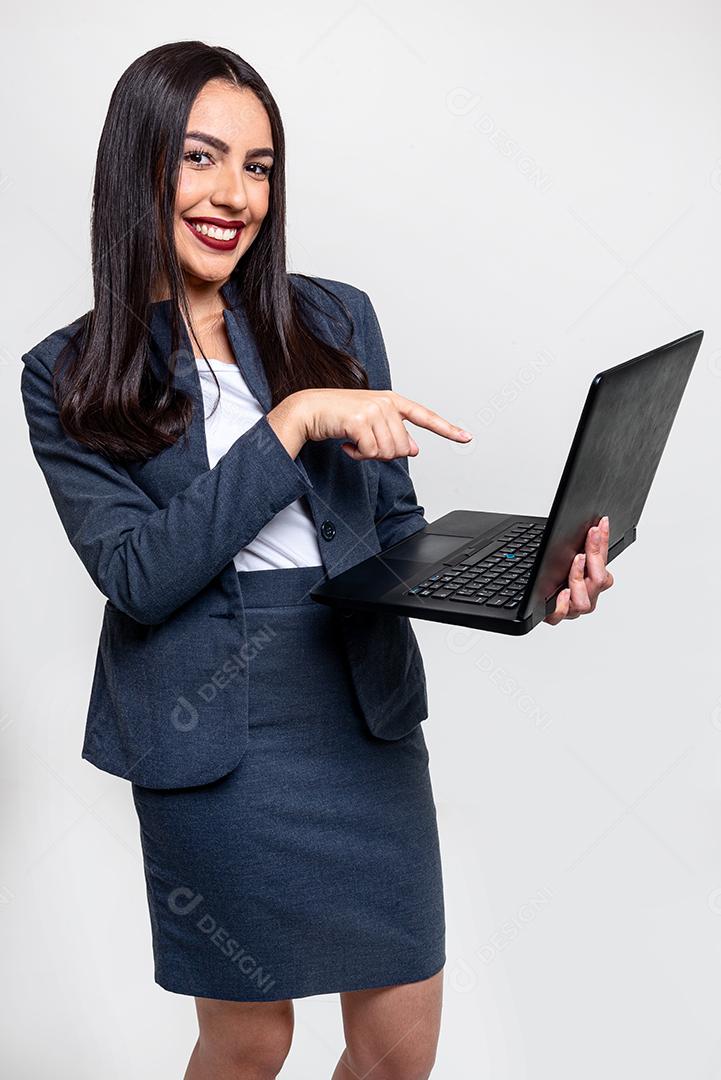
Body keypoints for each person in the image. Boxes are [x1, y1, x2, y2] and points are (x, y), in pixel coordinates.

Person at [20, 41, 614, 1080]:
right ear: (138, 165)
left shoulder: (333, 318)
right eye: (200, 158)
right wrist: (289, 422)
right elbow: (140, 575)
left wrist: (526, 586)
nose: (232, 194)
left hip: (357, 707)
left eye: (257, 167)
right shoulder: (67, 376)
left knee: (397, 1049)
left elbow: (391, 533)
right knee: (251, 1043)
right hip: (209, 732)